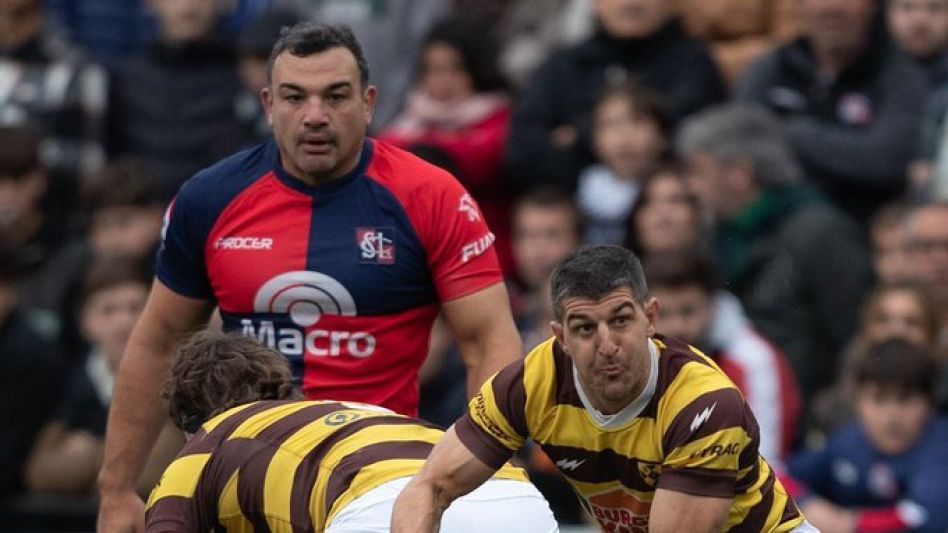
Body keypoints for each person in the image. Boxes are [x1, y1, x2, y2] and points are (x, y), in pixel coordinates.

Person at [97, 22, 522, 531]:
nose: (315, 116)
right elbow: (159, 339)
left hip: (375, 478)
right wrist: (117, 488)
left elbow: (488, 339)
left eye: (335, 97)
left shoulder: (432, 196)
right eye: (295, 97)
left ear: (368, 103)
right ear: (268, 104)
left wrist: (489, 472)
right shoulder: (208, 198)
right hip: (241, 478)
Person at [391, 245, 812, 533]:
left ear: (651, 318)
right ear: (560, 337)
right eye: (585, 328)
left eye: (621, 320)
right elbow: (429, 486)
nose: (607, 345)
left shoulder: (704, 406)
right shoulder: (532, 384)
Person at [145, 330, 557, 532]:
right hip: (516, 500)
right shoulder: (354, 413)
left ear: (190, 422)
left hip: (390, 509)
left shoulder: (207, 441)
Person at [677, 103, 873, 406]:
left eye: (698, 171)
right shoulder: (712, 237)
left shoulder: (821, 233)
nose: (690, 187)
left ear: (739, 174)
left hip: (801, 412)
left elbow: (853, 336)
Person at [736, 0, 928, 224]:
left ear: (873, 5)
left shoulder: (900, 74)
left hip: (863, 228)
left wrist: (795, 133)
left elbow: (887, 160)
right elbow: (739, 149)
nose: (832, 7)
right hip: (773, 224)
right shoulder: (771, 68)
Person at [504, 0, 725, 192]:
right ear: (595, 4)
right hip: (573, 211)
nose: (630, 4)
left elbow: (693, 137)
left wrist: (578, 136)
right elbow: (524, 152)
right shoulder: (564, 66)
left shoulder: (693, 64)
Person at [24, 258, 182, 496]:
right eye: (108, 310)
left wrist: (88, 455)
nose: (123, 322)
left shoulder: (179, 380)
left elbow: (149, 477)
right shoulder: (70, 379)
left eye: (135, 308)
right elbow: (39, 473)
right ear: (84, 321)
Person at [644, 251, 801, 464]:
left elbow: (765, 460)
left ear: (713, 306)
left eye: (688, 311)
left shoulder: (754, 362)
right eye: (663, 315)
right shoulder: (628, 359)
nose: (677, 327)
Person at [786, 339, 948, 533]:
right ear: (858, 402)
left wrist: (851, 524)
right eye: (879, 399)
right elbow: (780, 475)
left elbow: (924, 515)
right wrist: (808, 502)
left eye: (904, 399)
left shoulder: (939, 450)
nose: (892, 415)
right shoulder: (848, 442)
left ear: (929, 404)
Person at [576, 81, 673, 245]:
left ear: (663, 136)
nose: (623, 136)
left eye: (636, 122)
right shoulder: (579, 193)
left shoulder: (683, 191)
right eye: (610, 124)